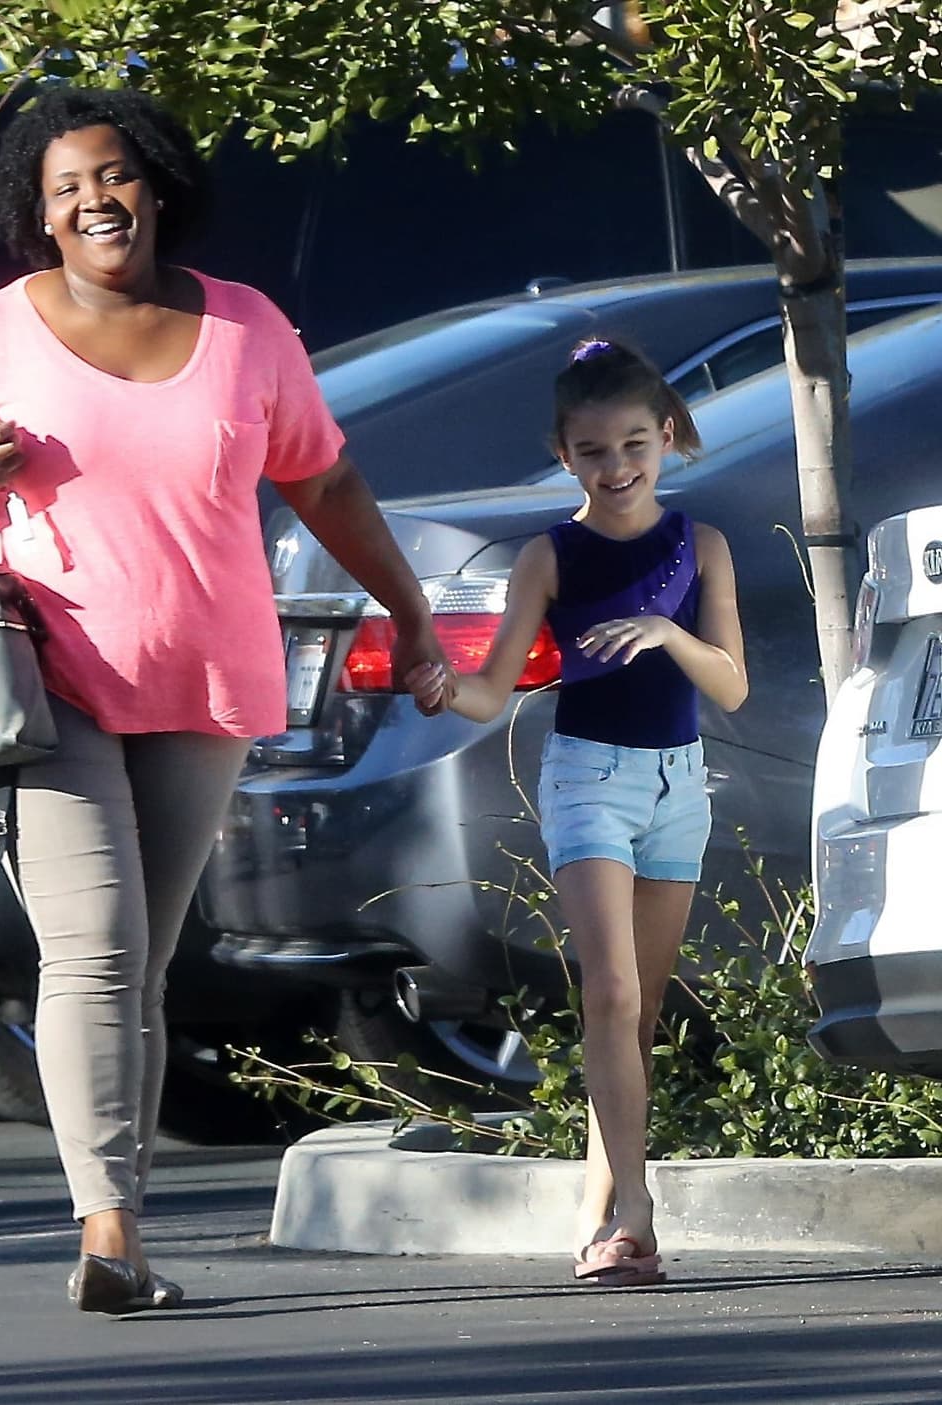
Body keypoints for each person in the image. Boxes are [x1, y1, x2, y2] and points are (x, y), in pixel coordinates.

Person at [0, 84, 451, 1314]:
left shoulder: (248, 330)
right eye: (66, 187)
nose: (96, 199)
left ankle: (120, 1228)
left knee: (140, 963)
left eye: (114, 175)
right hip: (38, 687)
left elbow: (328, 483)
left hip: (201, 679)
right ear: (37, 216)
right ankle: (110, 1234)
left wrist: (407, 612)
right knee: (92, 951)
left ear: (157, 185)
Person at [407, 338, 747, 1287]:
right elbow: (492, 688)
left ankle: (601, 1211)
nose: (618, 466)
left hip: (679, 786)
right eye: (594, 451)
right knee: (611, 993)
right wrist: (445, 687)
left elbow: (734, 689)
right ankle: (636, 1210)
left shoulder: (699, 546)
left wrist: (670, 631)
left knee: (634, 1019)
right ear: (565, 456)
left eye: (635, 444)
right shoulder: (547, 556)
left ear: (666, 437)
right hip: (588, 777)